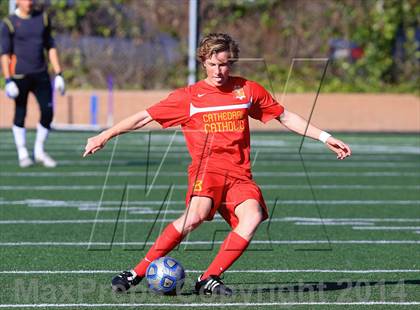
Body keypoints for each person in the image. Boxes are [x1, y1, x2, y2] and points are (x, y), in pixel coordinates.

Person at [83, 33, 351, 296]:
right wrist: (105, 135)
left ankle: (209, 277)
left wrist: (324, 137)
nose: (218, 70)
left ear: (231, 62)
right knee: (196, 215)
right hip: (207, 170)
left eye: (224, 64)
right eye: (212, 64)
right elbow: (144, 117)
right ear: (203, 63)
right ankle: (138, 272)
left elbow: (285, 117)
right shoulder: (189, 97)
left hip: (239, 174)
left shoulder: (246, 89)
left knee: (253, 216)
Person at [1, 0, 65, 168]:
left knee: (48, 111)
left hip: (41, 74)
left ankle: (39, 150)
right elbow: (5, 54)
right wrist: (7, 80)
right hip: (20, 75)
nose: (28, 1)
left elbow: (50, 46)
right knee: (20, 112)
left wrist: (59, 74)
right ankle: (22, 152)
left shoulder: (42, 18)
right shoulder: (9, 22)